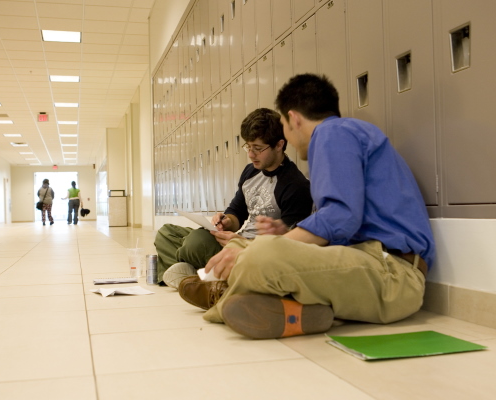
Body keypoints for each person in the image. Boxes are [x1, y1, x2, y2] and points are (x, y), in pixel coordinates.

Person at [178, 74, 436, 339]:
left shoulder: (331, 132)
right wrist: (283, 238)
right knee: (246, 245)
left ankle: (223, 294)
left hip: (394, 276)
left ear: (294, 119)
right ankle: (298, 313)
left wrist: (278, 244)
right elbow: (343, 222)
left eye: (284, 126)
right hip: (369, 266)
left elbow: (339, 219)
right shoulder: (346, 134)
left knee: (260, 253)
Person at [155, 107, 313, 289]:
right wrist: (226, 221)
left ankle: (195, 277)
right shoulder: (250, 172)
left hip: (252, 252)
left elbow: (288, 243)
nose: (251, 154)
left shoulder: (295, 186)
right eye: (248, 146)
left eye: (258, 148)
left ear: (279, 145)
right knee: (166, 233)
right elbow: (237, 211)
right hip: (234, 240)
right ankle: (196, 276)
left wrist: (241, 243)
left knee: (195, 243)